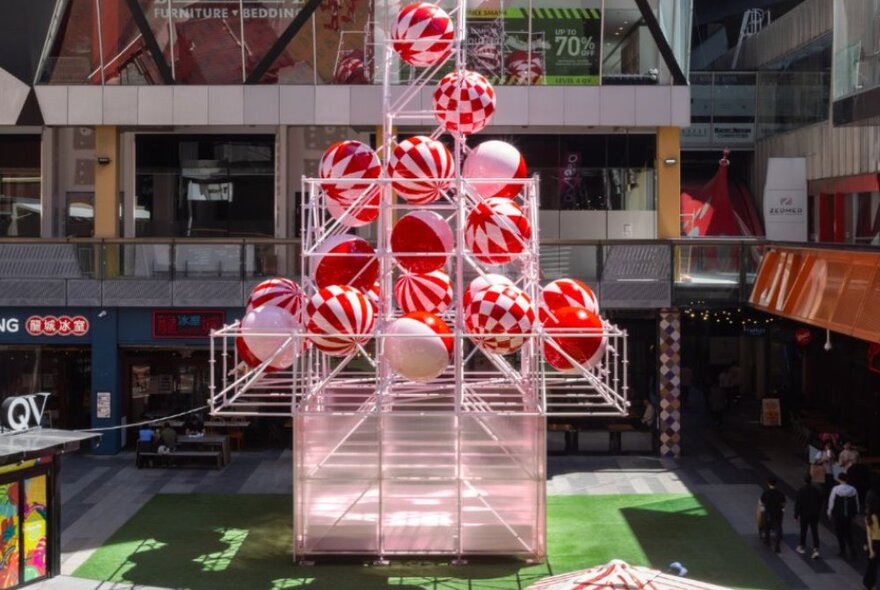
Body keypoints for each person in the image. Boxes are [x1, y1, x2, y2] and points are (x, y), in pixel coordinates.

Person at [828, 472, 860, 559]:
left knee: (839, 533)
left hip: (838, 514)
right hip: (848, 514)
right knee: (848, 532)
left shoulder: (835, 489)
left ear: (839, 479)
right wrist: (856, 512)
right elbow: (856, 502)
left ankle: (843, 550)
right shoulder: (853, 489)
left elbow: (832, 501)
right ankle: (852, 549)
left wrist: (829, 512)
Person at [794, 474, 822, 559]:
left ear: (804, 480)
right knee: (814, 531)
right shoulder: (816, 490)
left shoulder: (801, 491)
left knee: (803, 530)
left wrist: (796, 515)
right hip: (815, 513)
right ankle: (816, 549)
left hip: (804, 514)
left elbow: (798, 504)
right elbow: (820, 502)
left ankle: (802, 546)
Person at [760, 477, 786, 553]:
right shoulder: (780, 493)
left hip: (768, 513)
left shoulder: (766, 493)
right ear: (776, 484)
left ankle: (767, 541)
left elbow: (762, 502)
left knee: (767, 527)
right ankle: (777, 544)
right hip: (777, 513)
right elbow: (783, 504)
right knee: (778, 528)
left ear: (768, 483)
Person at [864, 494, 880, 589]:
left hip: (874, 543)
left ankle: (869, 583)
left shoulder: (869, 518)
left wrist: (870, 549)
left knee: (872, 565)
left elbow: (869, 535)